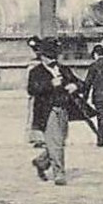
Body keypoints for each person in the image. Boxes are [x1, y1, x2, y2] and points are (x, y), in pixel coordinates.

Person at [28, 39, 84, 185]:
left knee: (59, 141)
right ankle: (59, 173)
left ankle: (41, 162)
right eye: (49, 56)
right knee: (56, 142)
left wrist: (75, 86)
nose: (53, 58)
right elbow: (32, 89)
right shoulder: (36, 72)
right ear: (43, 56)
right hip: (47, 111)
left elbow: (80, 83)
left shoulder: (64, 70)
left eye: (54, 55)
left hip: (64, 109)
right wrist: (50, 84)